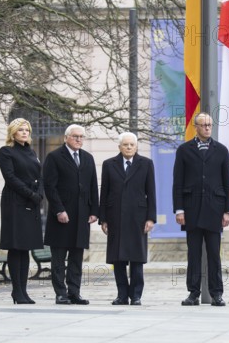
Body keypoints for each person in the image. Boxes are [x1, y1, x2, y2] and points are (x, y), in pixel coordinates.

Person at [173, 112, 229, 306]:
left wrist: (228, 210)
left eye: (209, 124)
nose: (207, 127)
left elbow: (227, 181)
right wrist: (179, 209)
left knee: (214, 254)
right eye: (203, 125)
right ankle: (193, 293)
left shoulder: (222, 150)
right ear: (196, 127)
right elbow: (178, 182)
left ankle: (217, 294)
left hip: (215, 210)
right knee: (194, 254)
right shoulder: (184, 150)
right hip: (191, 210)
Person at [43, 124, 99, 305]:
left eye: (81, 137)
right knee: (59, 258)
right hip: (61, 216)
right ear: (66, 137)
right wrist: (59, 209)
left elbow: (92, 186)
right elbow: (49, 187)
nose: (79, 139)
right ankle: (61, 293)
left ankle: (74, 292)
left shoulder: (88, 158)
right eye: (75, 136)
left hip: (82, 216)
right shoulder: (54, 157)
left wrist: (94, 211)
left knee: (76, 257)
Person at [99, 132, 156, 306]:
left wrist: (151, 218)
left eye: (132, 144)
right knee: (118, 259)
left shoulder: (146, 164)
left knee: (137, 258)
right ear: (120, 147)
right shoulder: (109, 164)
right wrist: (103, 219)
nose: (129, 147)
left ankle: (136, 295)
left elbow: (151, 193)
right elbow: (105, 193)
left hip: (138, 218)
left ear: (136, 146)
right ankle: (122, 295)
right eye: (126, 145)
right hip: (115, 217)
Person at [0, 118, 44, 304]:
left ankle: (23, 291)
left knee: (25, 248)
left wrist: (39, 193)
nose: (25, 133)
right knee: (15, 247)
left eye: (27, 130)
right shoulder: (6, 151)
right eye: (20, 130)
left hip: (31, 202)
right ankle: (17, 291)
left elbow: (39, 176)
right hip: (14, 202)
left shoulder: (32, 152)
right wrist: (31, 194)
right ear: (13, 133)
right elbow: (10, 178)